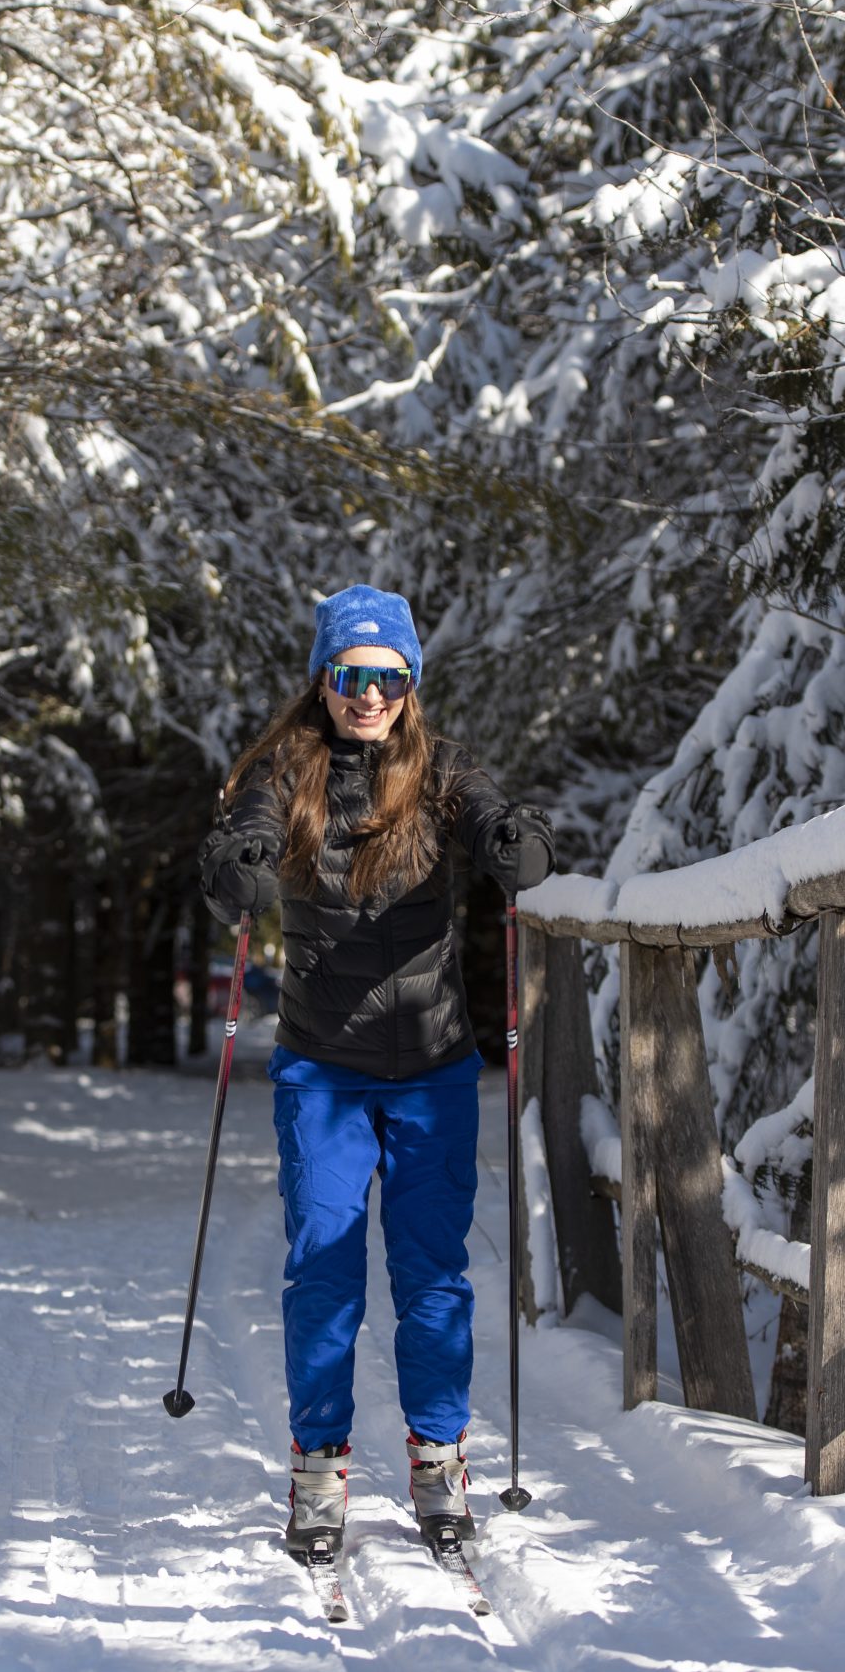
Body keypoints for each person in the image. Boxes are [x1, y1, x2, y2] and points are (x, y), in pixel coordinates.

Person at [198, 584, 552, 1561]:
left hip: (433, 1066)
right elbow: (235, 844)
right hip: (324, 1067)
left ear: (409, 685)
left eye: (387, 677)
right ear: (324, 678)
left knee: (433, 1273)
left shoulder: (440, 771)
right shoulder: (283, 771)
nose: (369, 695)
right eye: (352, 674)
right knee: (324, 1271)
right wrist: (243, 861)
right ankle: (318, 1466)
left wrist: (516, 840)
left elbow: (495, 818)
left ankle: (438, 1460)